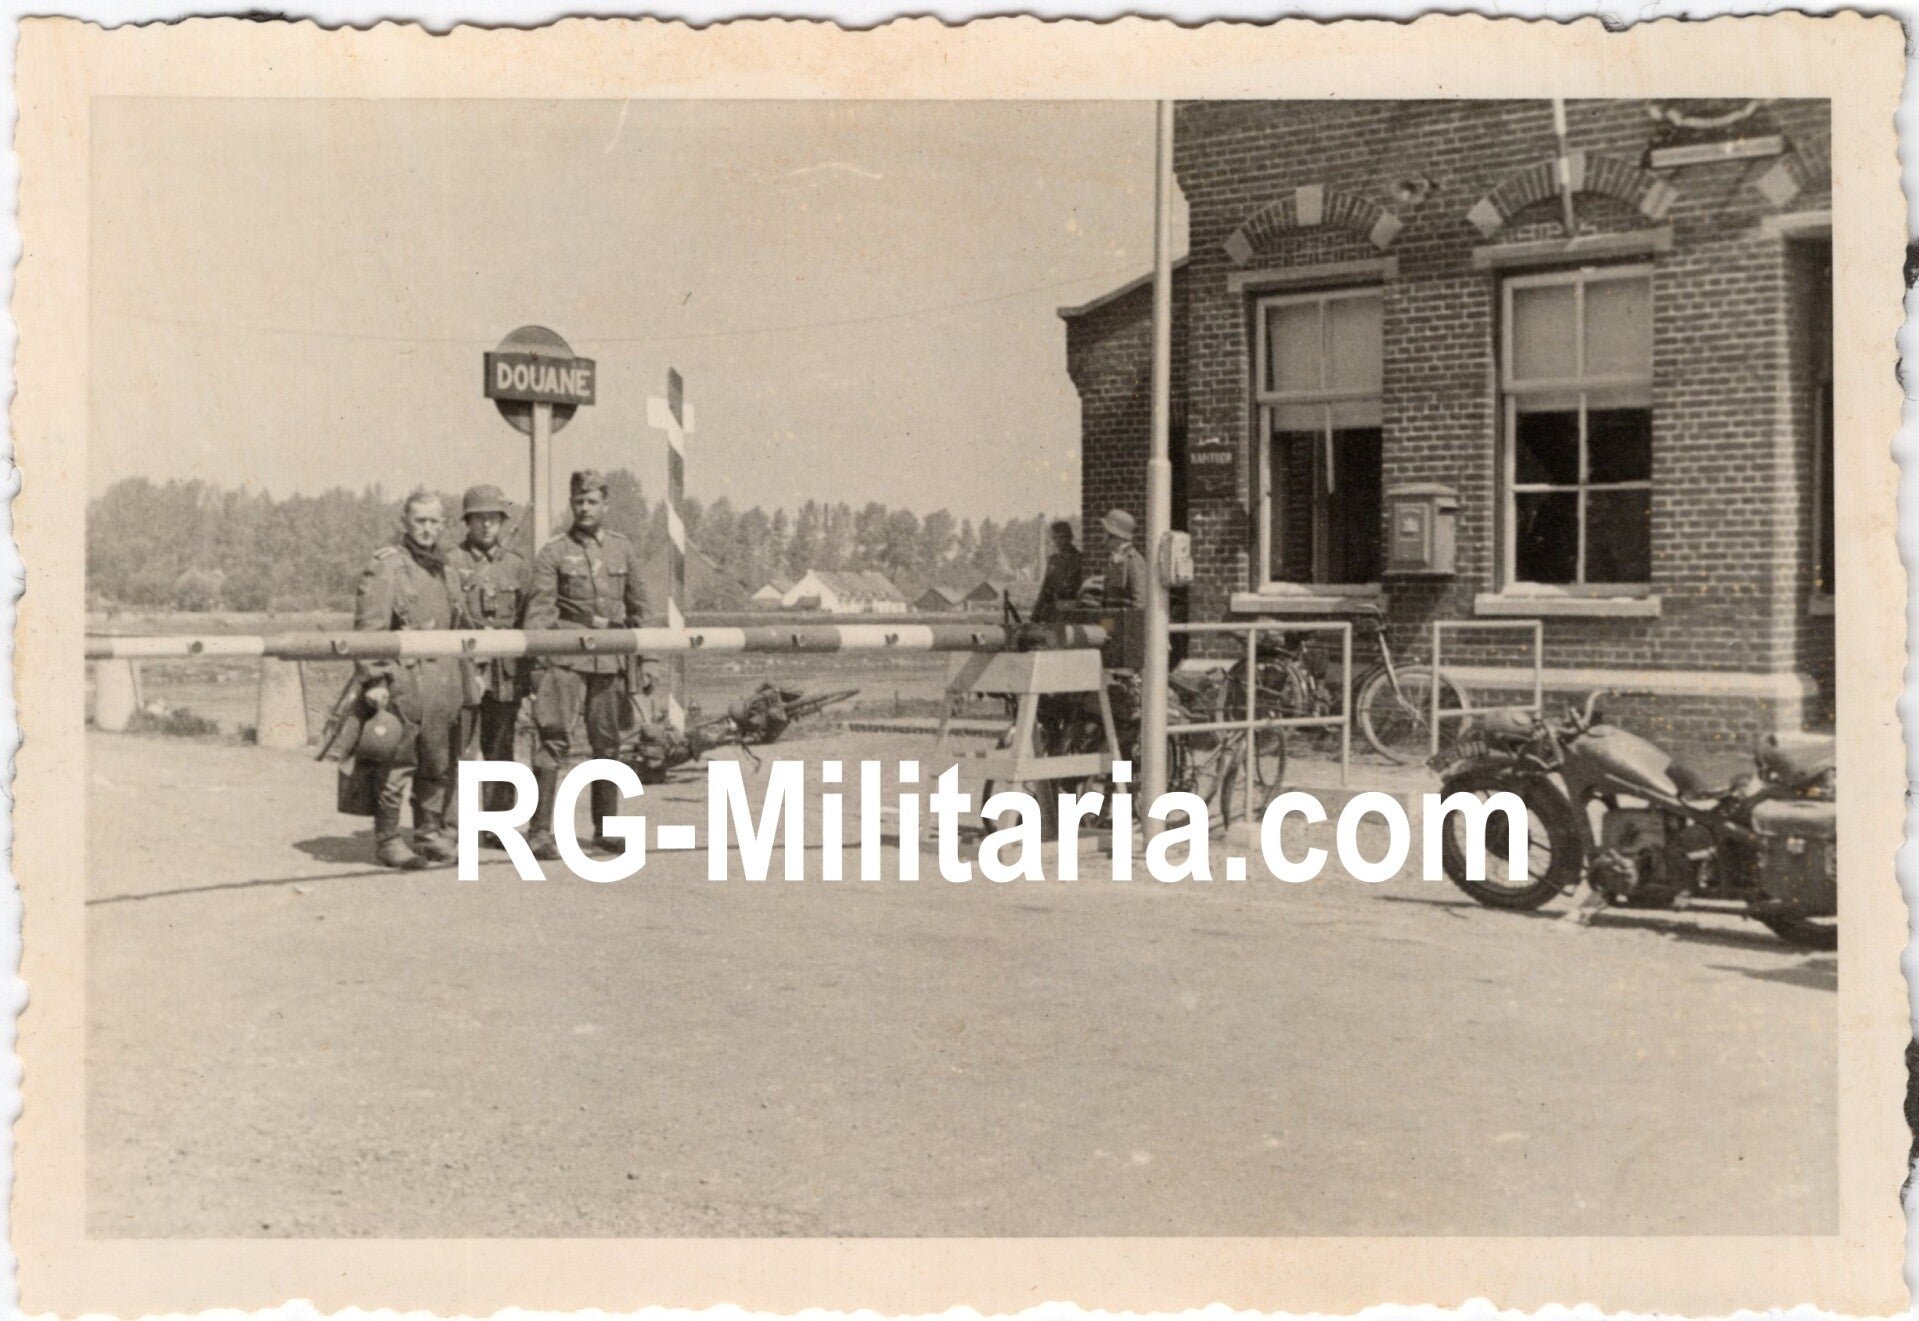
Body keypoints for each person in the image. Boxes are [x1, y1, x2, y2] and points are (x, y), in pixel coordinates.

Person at [522, 469, 648, 860]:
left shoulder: (622, 550)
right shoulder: (554, 552)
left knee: (607, 746)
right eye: (579, 501)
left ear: (605, 505)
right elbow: (539, 615)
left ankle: (606, 831)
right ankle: (540, 831)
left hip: (609, 663)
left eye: (592, 501)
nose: (585, 508)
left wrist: (648, 663)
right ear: (571, 504)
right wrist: (540, 668)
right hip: (566, 662)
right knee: (553, 741)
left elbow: (641, 611)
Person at [354, 489, 468, 870]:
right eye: (420, 521)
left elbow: (457, 625)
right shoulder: (387, 565)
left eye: (435, 521)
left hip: (443, 681)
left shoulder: (446, 568)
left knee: (437, 760)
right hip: (404, 680)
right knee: (396, 761)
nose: (427, 529)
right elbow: (370, 628)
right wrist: (375, 679)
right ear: (404, 521)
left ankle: (429, 832)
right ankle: (388, 839)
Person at [444, 484, 531, 822]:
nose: (485, 526)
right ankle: (452, 825)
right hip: (464, 668)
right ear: (467, 522)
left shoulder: (516, 566)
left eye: (492, 519)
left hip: (503, 671)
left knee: (500, 748)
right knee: (459, 747)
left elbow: (526, 618)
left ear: (502, 522)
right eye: (478, 519)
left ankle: (499, 823)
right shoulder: (452, 561)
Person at [1031, 519, 1084, 623]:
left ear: (1070, 537)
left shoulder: (1080, 559)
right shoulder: (1053, 560)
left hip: (1074, 612)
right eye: (1055, 538)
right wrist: (1035, 616)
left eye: (1062, 537)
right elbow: (1046, 588)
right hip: (1055, 613)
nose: (1058, 541)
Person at [1100, 507, 1149, 611]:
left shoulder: (1133, 560)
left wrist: (1134, 625)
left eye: (1104, 531)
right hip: (1111, 622)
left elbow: (1140, 600)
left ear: (1114, 534)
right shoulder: (1114, 557)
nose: (1102, 536)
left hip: (1126, 624)